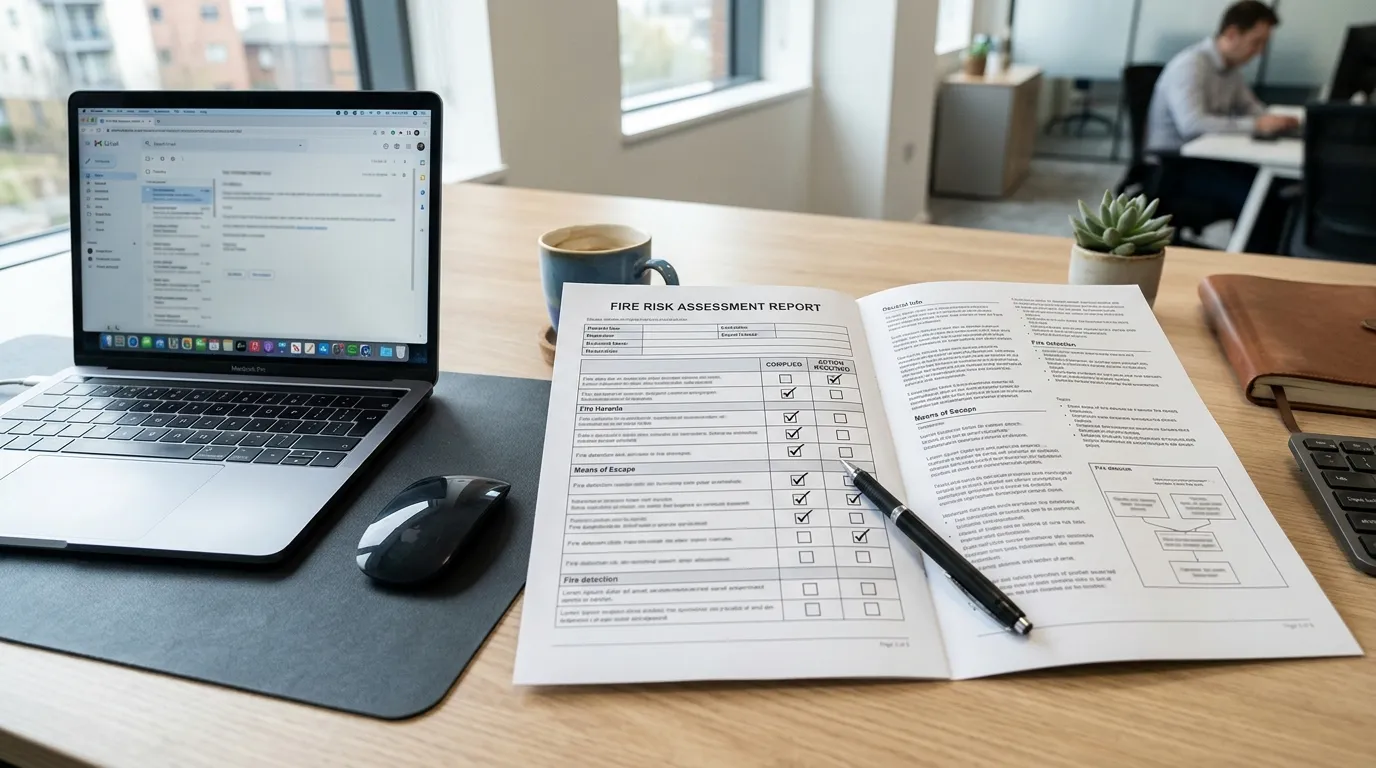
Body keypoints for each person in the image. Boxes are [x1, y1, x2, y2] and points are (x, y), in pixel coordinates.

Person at [1145, 1, 1299, 251]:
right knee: (1260, 197)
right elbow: (1192, 125)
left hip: (1208, 161)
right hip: (1174, 167)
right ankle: (1251, 268)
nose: (1259, 52)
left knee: (1275, 186)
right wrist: (1257, 125)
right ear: (1231, 34)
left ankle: (1264, 261)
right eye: (1256, 42)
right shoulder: (1191, 65)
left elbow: (1252, 109)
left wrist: (1275, 120)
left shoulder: (1231, 71)